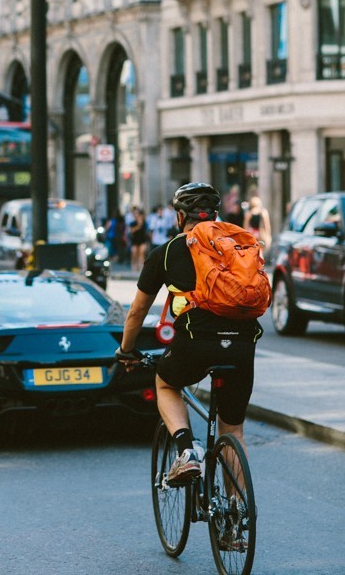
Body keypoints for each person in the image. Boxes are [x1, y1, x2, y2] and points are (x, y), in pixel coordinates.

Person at [115, 182, 263, 486]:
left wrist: (127, 350)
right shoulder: (235, 246)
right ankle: (237, 521)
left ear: (180, 216)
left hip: (195, 342)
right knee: (232, 431)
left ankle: (186, 453)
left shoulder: (168, 252)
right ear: (215, 215)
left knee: (166, 384)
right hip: (242, 344)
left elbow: (137, 311)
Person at [244, 195, 272, 263]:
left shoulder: (249, 213)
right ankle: (260, 262)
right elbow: (267, 224)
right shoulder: (263, 212)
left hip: (252, 233)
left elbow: (245, 225)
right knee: (261, 249)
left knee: (253, 250)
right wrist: (268, 234)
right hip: (261, 233)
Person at [128, 206, 147, 273]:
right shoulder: (132, 223)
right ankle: (134, 264)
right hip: (135, 240)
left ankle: (141, 265)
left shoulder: (144, 222)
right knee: (134, 252)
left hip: (142, 240)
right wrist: (138, 226)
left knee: (141, 252)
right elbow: (131, 231)